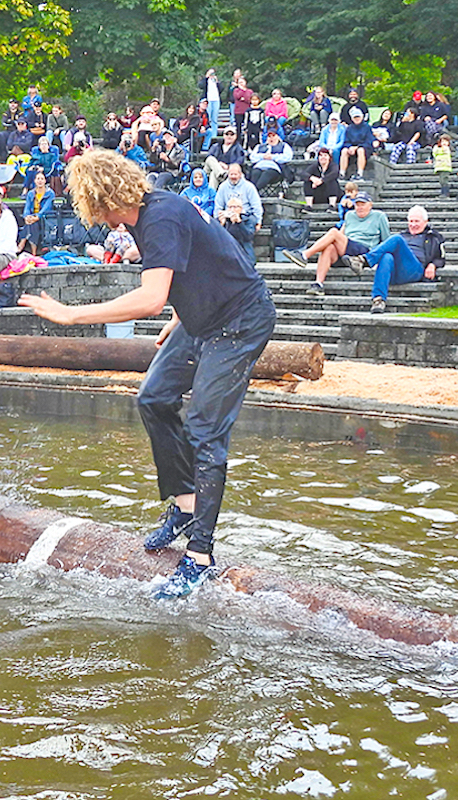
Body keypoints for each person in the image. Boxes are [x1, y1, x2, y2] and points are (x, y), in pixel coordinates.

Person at [18, 148, 277, 599]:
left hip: (239, 321)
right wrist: (182, 314)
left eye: (93, 207)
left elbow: (150, 296)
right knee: (154, 398)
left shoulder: (159, 216)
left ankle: (200, 555)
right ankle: (184, 505)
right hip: (201, 320)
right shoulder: (151, 213)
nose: (95, 217)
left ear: (102, 197)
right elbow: (211, 258)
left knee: (203, 429)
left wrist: (71, 315)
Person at [286, 191, 389, 295]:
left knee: (333, 232)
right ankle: (318, 284)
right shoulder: (349, 215)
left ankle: (304, 255)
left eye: (363, 204)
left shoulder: (379, 216)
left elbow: (386, 241)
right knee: (329, 247)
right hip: (347, 251)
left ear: (370, 205)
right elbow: (341, 234)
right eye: (357, 205)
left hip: (364, 250)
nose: (360, 207)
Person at [346, 204, 444, 313]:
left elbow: (441, 257)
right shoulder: (404, 235)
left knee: (396, 239)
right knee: (386, 257)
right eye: (411, 221)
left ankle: (363, 260)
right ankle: (378, 300)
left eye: (417, 221)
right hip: (397, 271)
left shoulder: (433, 237)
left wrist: (433, 265)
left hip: (415, 269)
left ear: (425, 222)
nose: (413, 225)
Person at [213, 162, 262, 232]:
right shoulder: (222, 187)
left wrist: (258, 221)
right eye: (231, 174)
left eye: (235, 174)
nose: (233, 177)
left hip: (245, 217)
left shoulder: (249, 187)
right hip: (228, 216)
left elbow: (256, 205)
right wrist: (218, 220)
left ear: (240, 174)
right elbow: (218, 206)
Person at [19, 171, 54, 255]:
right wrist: (26, 216)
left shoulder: (50, 193)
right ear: (34, 181)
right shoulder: (31, 193)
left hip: (45, 218)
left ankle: (22, 242)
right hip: (33, 217)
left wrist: (37, 217)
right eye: (38, 179)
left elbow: (46, 208)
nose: (40, 181)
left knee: (31, 224)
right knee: (31, 224)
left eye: (42, 179)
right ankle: (33, 252)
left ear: (45, 181)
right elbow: (27, 207)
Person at [339, 107, 372, 180]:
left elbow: (369, 141)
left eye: (358, 117)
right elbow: (346, 141)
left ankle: (360, 173)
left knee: (360, 150)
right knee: (344, 151)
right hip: (352, 147)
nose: (357, 119)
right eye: (355, 117)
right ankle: (342, 173)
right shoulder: (349, 128)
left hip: (364, 147)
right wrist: (350, 147)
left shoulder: (367, 127)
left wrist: (357, 147)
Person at [199, 68, 223, 143]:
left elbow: (222, 89)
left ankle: (214, 135)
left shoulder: (215, 81)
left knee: (214, 119)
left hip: (216, 100)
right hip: (208, 100)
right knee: (208, 117)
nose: (212, 75)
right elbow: (200, 86)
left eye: (213, 73)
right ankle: (207, 135)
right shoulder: (206, 81)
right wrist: (206, 77)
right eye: (210, 73)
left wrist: (217, 81)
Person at [432, 133, 453, 197]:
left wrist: (442, 147)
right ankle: (443, 192)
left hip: (446, 167)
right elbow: (434, 153)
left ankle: (445, 193)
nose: (444, 143)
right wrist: (437, 146)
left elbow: (443, 151)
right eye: (442, 141)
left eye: (446, 141)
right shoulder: (437, 148)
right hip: (439, 167)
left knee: (444, 180)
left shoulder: (447, 149)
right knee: (441, 181)